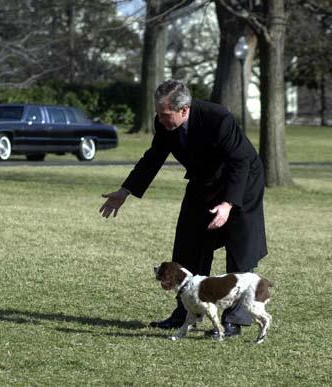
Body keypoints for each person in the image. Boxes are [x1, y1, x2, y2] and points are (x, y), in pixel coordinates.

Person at [100, 79, 267, 338]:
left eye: (166, 115)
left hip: (241, 182)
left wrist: (228, 204)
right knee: (188, 244)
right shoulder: (164, 122)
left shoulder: (218, 118)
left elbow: (239, 162)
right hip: (204, 182)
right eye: (159, 114)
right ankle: (185, 313)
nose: (162, 120)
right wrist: (125, 191)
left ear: (185, 109)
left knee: (240, 250)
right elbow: (153, 157)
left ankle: (233, 320)